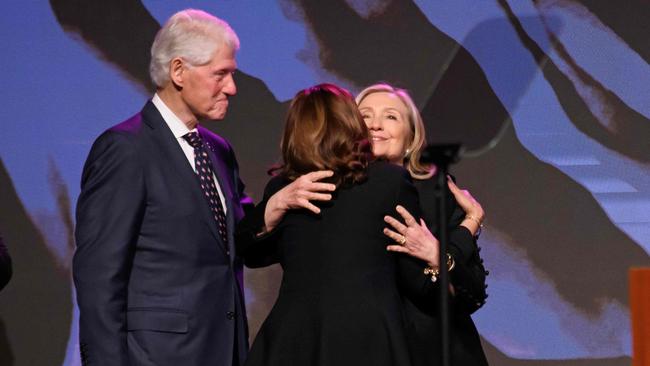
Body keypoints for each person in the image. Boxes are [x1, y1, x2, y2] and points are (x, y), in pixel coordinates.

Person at [74, 9, 250, 366]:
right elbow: (99, 278)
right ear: (178, 71)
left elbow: (237, 241)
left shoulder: (218, 151)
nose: (232, 87)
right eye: (221, 74)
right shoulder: (126, 149)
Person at [236, 83, 429, 366]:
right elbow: (416, 279)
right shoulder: (390, 181)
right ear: (351, 124)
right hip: (368, 340)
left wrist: (275, 204)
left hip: (294, 341)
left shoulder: (286, 188)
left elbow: (250, 251)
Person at [356, 83, 489, 366]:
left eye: (390, 116)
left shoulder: (437, 193)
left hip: (436, 350)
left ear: (411, 138)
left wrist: (437, 253)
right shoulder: (335, 194)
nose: (376, 125)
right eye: (365, 116)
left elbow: (473, 292)